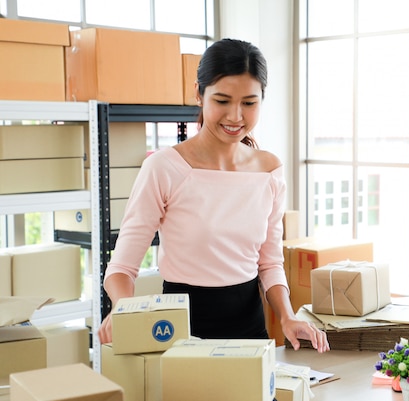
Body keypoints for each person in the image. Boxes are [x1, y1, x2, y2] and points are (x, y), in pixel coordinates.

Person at [97, 38, 330, 353]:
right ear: (199, 93)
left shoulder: (270, 171)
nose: (235, 116)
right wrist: (123, 310)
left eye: (249, 103)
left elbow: (270, 262)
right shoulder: (164, 167)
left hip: (250, 330)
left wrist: (287, 317)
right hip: (180, 331)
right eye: (222, 100)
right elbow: (121, 269)